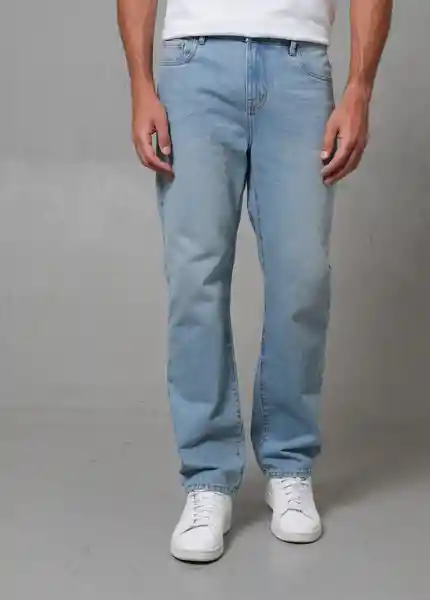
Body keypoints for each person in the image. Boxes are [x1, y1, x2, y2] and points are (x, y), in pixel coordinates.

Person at [117, 0, 392, 563]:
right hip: (195, 64)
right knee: (195, 281)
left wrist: (360, 89)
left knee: (302, 278)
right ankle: (207, 478)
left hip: (299, 66)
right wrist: (141, 84)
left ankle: (289, 465)